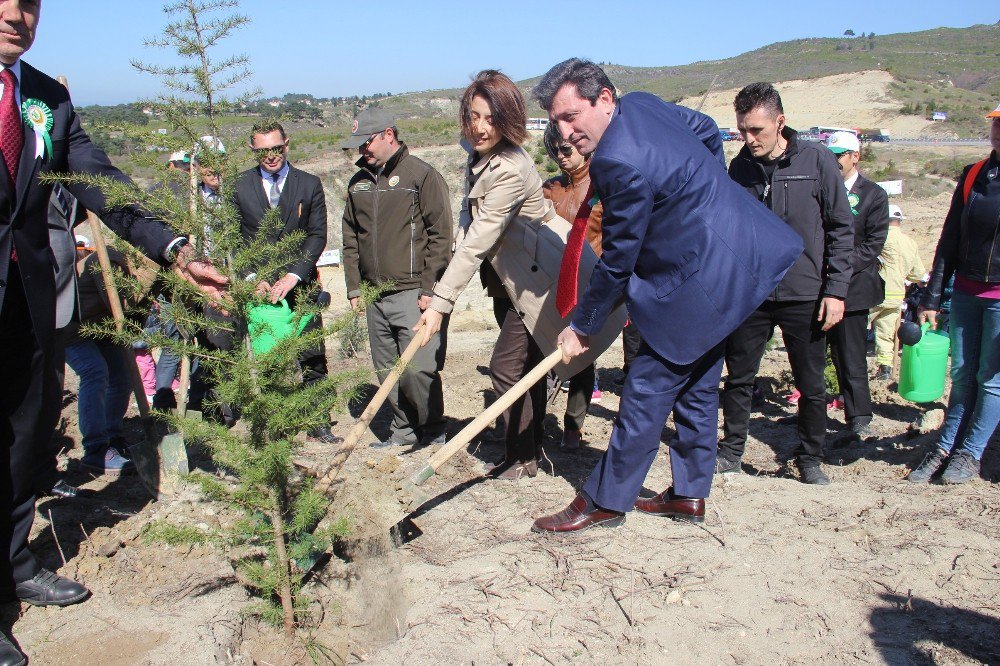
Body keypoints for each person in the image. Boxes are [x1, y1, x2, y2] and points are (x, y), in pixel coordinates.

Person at [0, 3, 228, 662]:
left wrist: (177, 250)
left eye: (32, 3)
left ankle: (16, 565)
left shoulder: (43, 99)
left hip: (32, 301)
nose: (18, 15)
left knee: (23, 437)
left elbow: (101, 182)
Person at [529, 59, 803, 533]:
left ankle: (605, 499)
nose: (565, 131)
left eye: (572, 116)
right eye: (556, 120)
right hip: (737, 258)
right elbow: (704, 130)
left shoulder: (616, 163)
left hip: (695, 282)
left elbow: (618, 260)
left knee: (644, 392)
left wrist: (582, 326)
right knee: (697, 381)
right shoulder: (643, 105)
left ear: (605, 99)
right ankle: (689, 492)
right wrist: (704, 193)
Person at [416, 70, 615, 480]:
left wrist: (440, 302)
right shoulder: (479, 155)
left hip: (543, 281)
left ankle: (520, 455)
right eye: (473, 116)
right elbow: (469, 227)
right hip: (514, 279)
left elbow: (478, 239)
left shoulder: (507, 168)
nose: (480, 127)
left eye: (490, 118)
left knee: (506, 369)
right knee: (524, 367)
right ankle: (527, 451)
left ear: (508, 120)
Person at [717, 83, 854, 485]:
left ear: (780, 122)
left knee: (810, 384)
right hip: (753, 294)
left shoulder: (816, 161)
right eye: (742, 130)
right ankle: (730, 452)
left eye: (756, 130)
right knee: (739, 377)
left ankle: (809, 457)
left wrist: (836, 290)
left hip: (805, 294)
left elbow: (841, 229)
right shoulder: (739, 167)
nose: (748, 139)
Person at [341, 108, 452, 449]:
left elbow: (441, 236)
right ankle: (403, 431)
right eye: (358, 145)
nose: (363, 151)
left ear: (389, 134)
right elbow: (350, 237)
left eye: (368, 142)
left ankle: (432, 427)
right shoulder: (357, 183)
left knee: (419, 368)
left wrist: (431, 288)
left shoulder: (421, 176)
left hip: (413, 292)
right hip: (375, 293)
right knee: (387, 368)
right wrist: (354, 286)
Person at [910, 103, 1000, 485]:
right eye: (995, 123)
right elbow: (949, 239)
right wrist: (932, 296)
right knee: (962, 373)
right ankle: (946, 446)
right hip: (965, 290)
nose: (997, 129)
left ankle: (970, 453)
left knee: (991, 378)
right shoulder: (974, 176)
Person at [233, 120, 339, 443]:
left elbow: (317, 234)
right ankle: (277, 424)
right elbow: (236, 240)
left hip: (302, 287)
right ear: (253, 151)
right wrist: (253, 277)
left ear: (287, 144)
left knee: (312, 358)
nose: (271, 156)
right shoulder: (238, 187)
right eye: (263, 151)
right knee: (269, 363)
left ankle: (318, 420)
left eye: (276, 148)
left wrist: (294, 275)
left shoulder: (309, 184)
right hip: (262, 294)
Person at [824, 131, 889, 442]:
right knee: (815, 356)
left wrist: (839, 265)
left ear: (854, 156)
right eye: (830, 154)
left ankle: (859, 415)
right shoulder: (822, 188)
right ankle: (812, 411)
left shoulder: (873, 195)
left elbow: (873, 244)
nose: (833, 160)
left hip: (855, 286)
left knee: (850, 356)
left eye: (839, 155)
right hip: (819, 285)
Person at [540, 122, 602, 450]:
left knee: (582, 357)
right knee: (544, 346)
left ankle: (573, 425)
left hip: (591, 281)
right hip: (550, 280)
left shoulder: (603, 186)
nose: (561, 157)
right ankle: (537, 418)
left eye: (566, 150)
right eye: (555, 151)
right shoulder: (550, 189)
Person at [62, 242, 136, 475]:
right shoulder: (106, 262)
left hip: (100, 329)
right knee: (95, 371)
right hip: (71, 330)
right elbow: (116, 302)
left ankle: (113, 435)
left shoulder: (125, 263)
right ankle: (96, 449)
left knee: (122, 378)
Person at [870, 204, 925, 381]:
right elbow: (917, 273)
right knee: (885, 334)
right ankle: (885, 369)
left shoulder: (878, 237)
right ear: (900, 221)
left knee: (853, 332)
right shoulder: (910, 242)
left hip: (873, 293)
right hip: (895, 296)